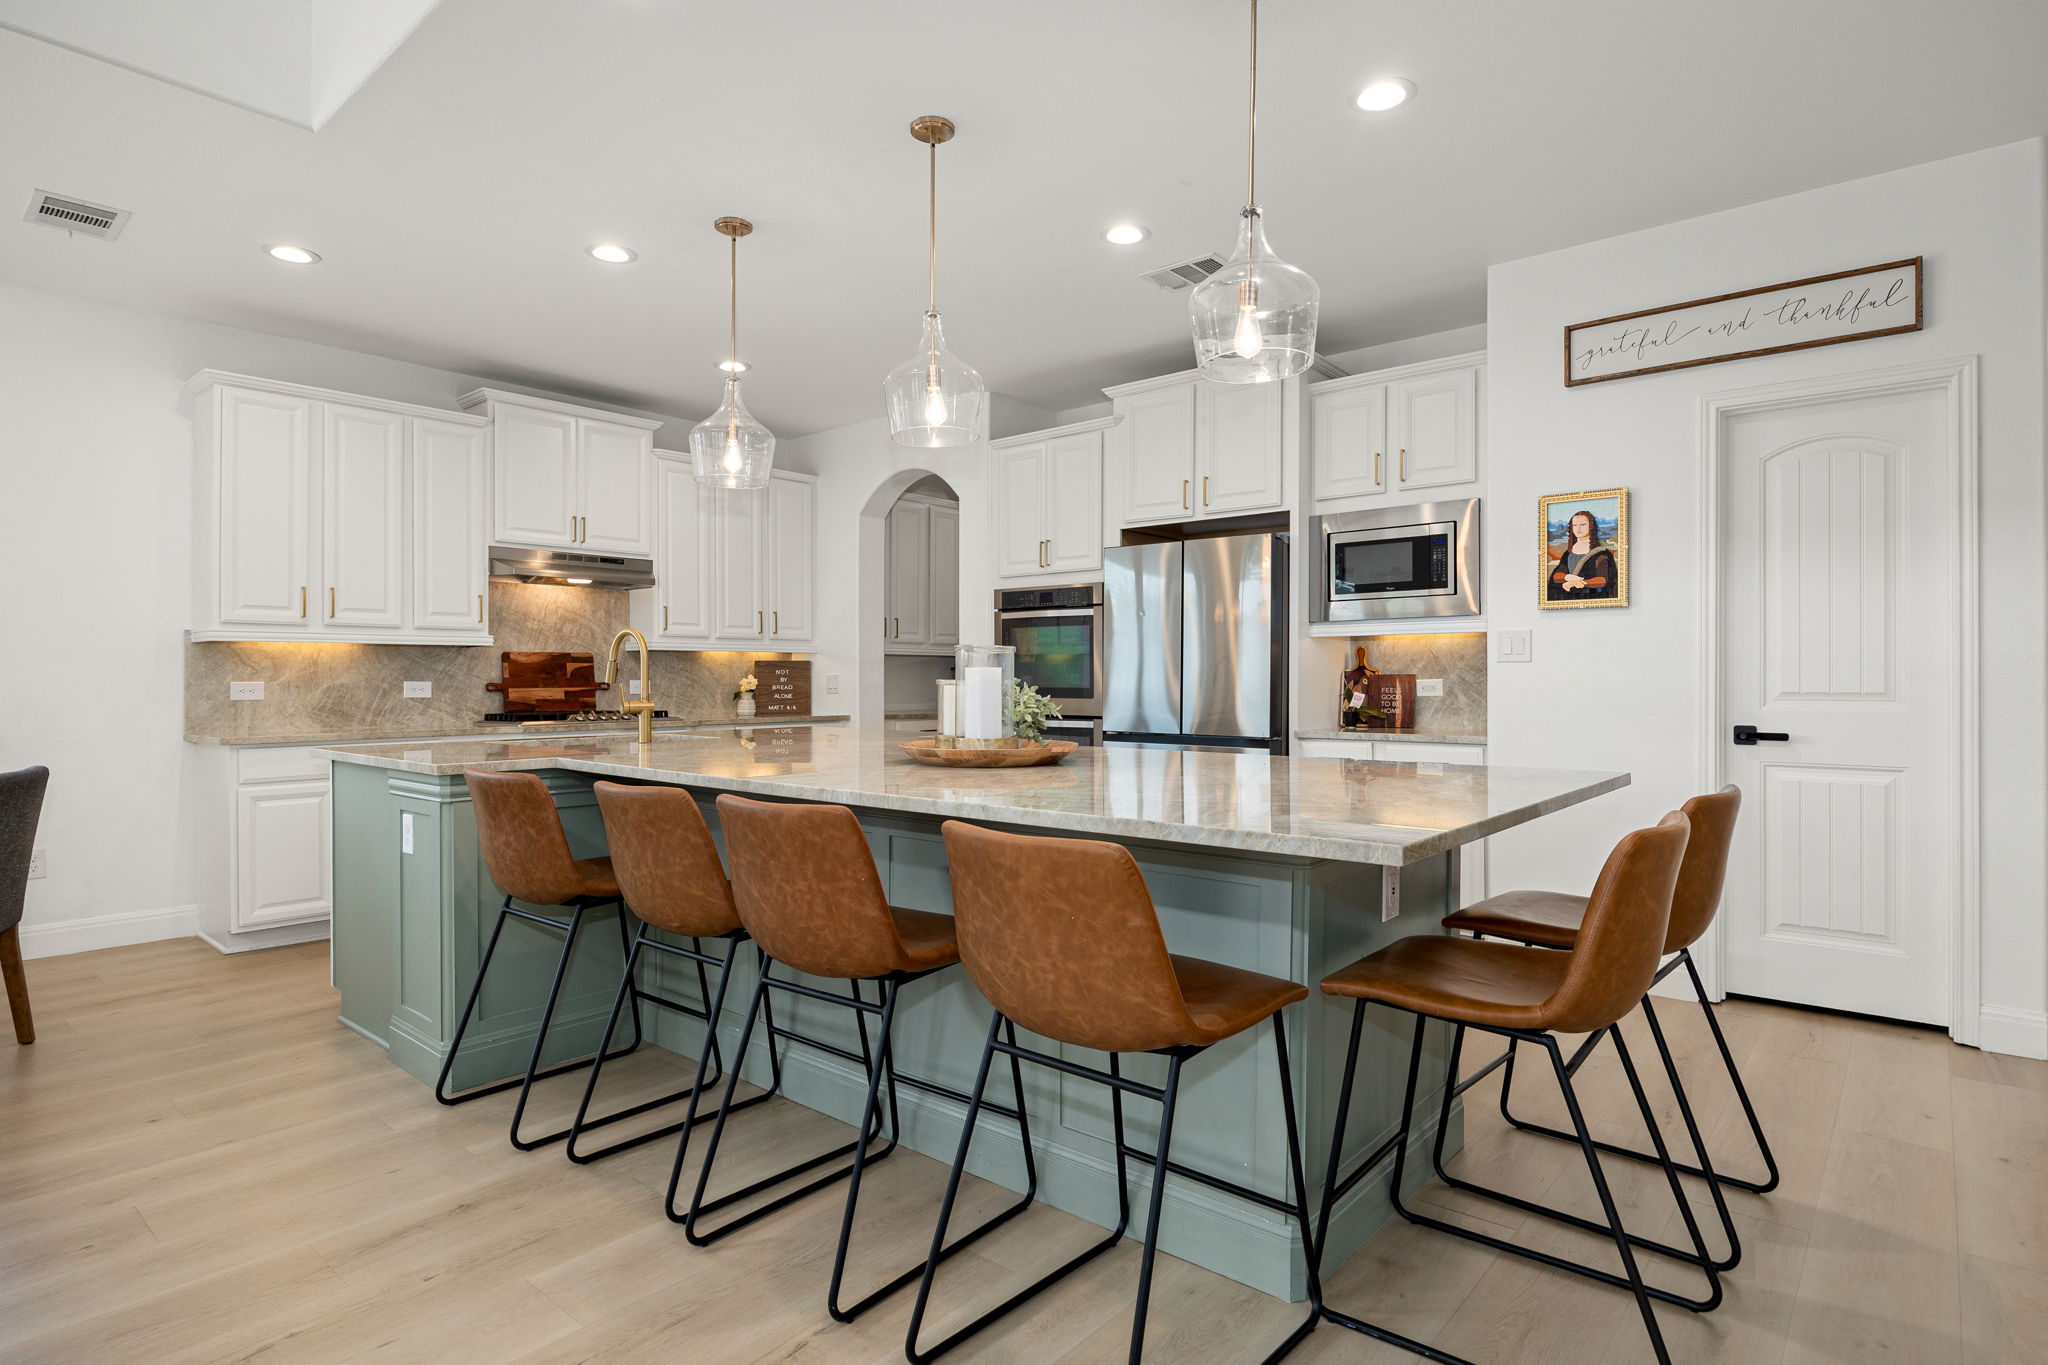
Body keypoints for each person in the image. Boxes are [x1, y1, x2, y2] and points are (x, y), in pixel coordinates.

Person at [1548, 508, 1618, 601]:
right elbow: (1556, 575)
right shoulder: (1568, 553)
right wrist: (1567, 577)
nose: (1578, 528)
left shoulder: (1602, 553)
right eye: (1575, 525)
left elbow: (1604, 580)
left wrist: (1578, 583)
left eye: (1583, 525)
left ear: (1591, 526)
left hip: (1593, 598)